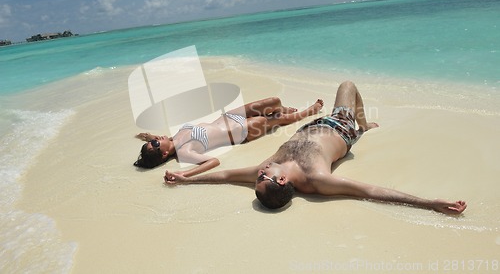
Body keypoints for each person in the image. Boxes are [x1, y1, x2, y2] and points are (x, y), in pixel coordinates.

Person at [164, 81, 467, 215]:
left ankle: (365, 126)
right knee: (348, 86)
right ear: (280, 181)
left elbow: (226, 175)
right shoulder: (316, 179)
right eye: (261, 176)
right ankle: (362, 126)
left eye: (259, 176)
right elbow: (371, 191)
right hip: (339, 126)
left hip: (310, 126)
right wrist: (429, 203)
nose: (259, 170)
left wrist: (186, 179)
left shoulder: (269, 171)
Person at [134, 96, 324, 177]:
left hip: (229, 116)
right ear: (165, 154)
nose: (156, 140)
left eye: (153, 141)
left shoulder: (174, 137)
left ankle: (280, 109)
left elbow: (163, 140)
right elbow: (213, 162)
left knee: (273, 101)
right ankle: (307, 112)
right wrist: (185, 173)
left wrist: (148, 136)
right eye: (155, 144)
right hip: (241, 132)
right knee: (277, 119)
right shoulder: (185, 152)